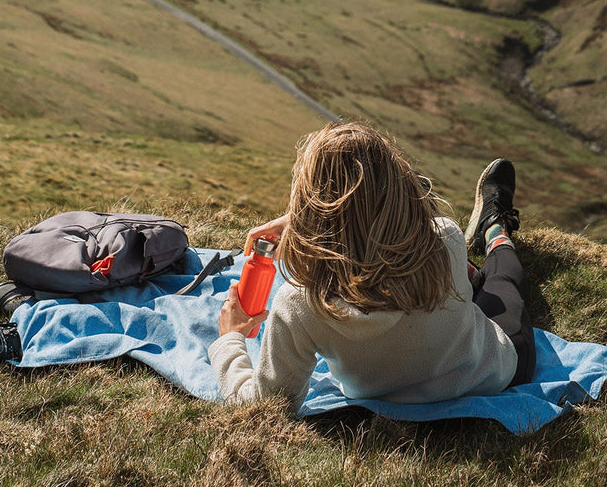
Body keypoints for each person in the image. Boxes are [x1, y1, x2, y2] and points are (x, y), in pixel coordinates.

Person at [209, 120, 535, 411]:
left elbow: (268, 405)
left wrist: (229, 339)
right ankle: (495, 230)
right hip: (486, 375)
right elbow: (411, 207)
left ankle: (476, 263)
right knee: (504, 281)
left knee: (475, 278)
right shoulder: (445, 238)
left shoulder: (299, 304)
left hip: (380, 398)